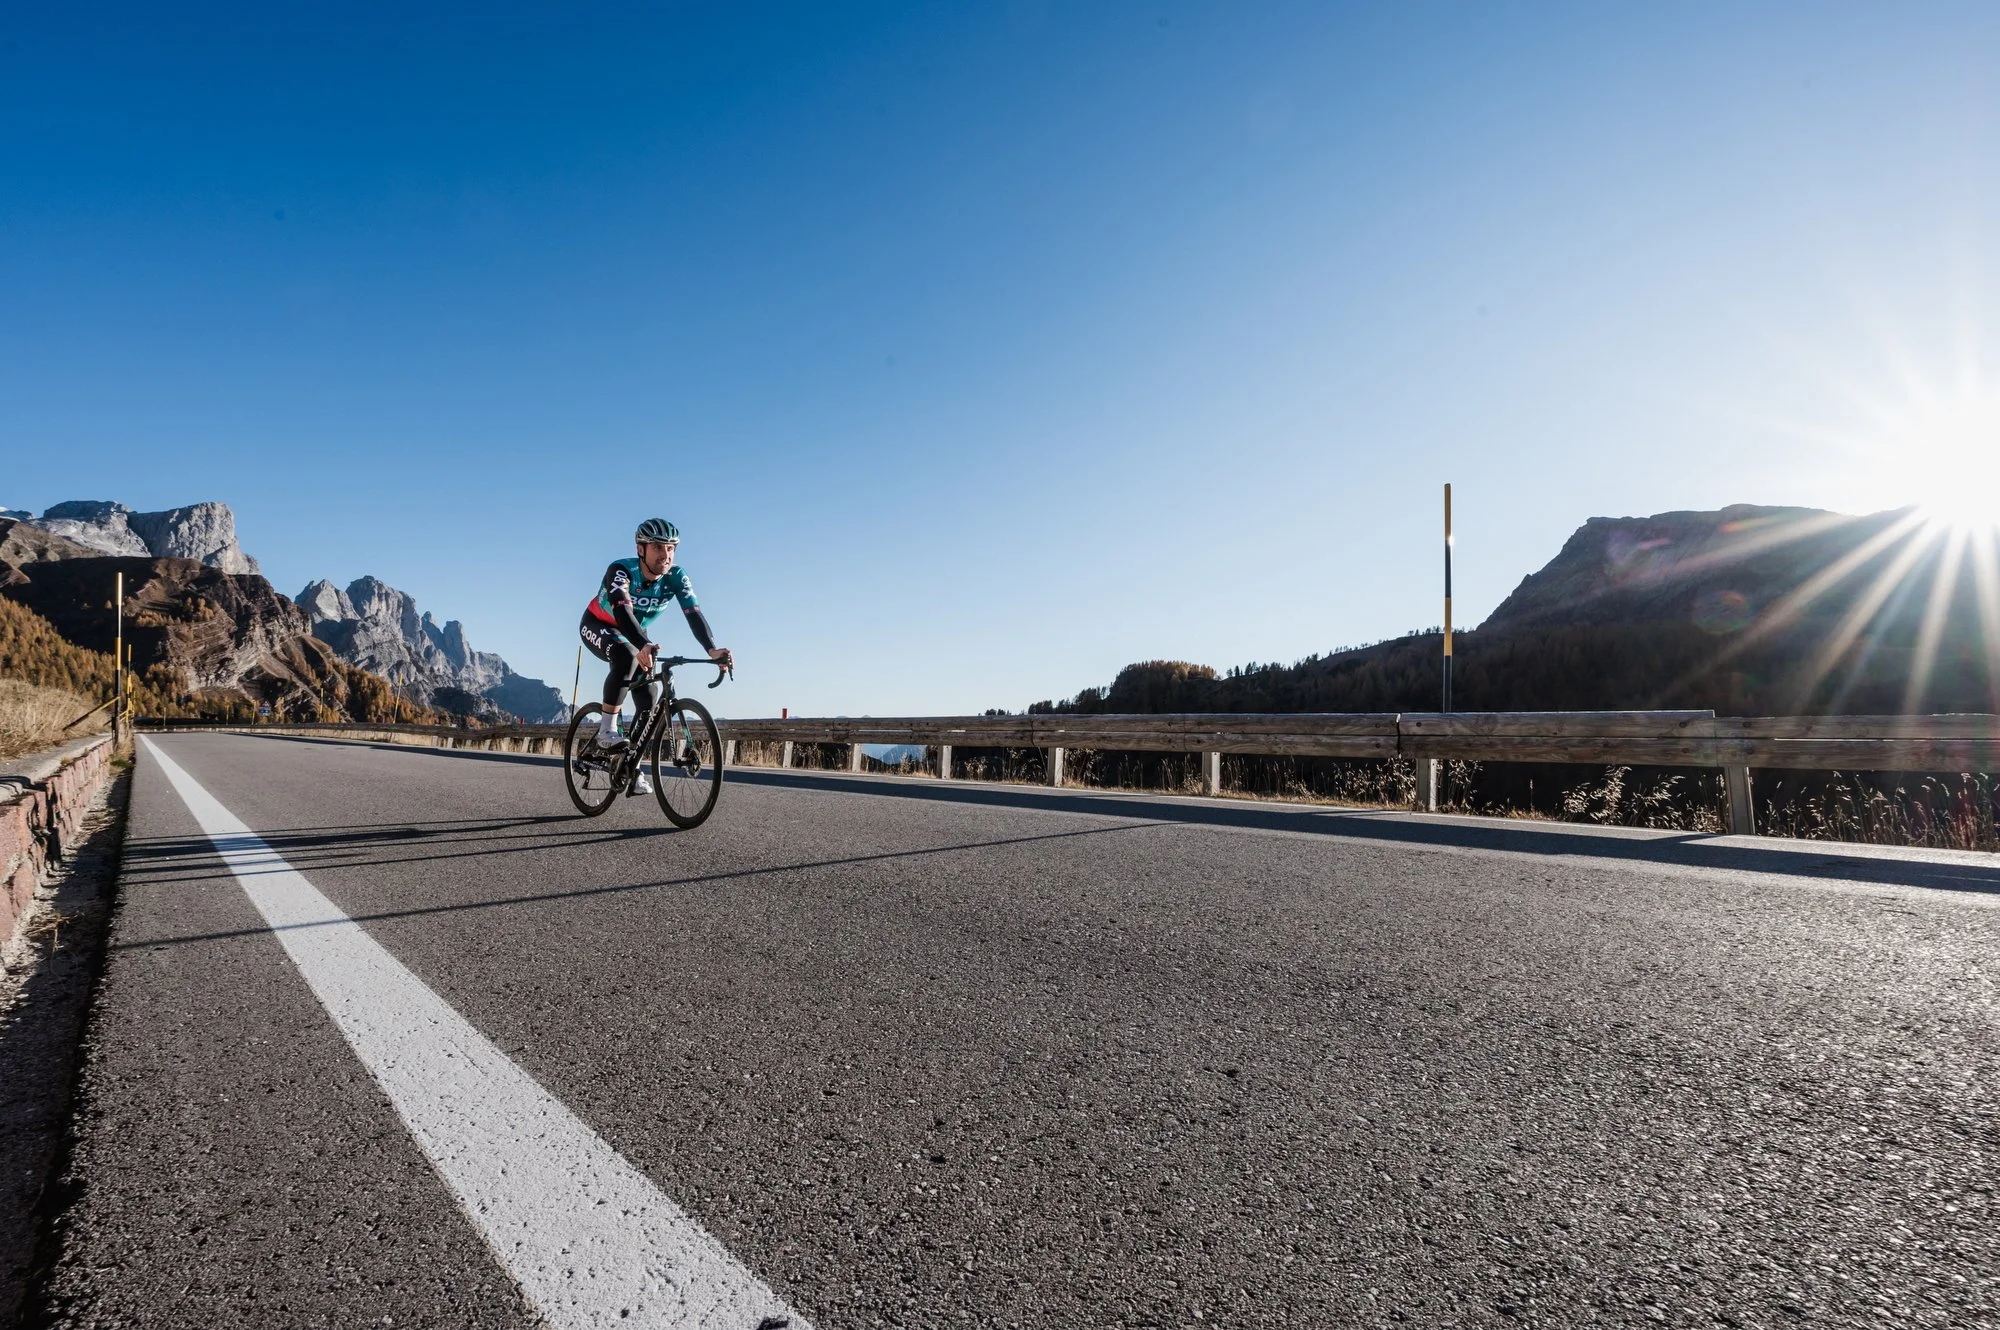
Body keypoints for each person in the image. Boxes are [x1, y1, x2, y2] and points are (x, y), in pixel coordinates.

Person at [579, 518, 733, 794]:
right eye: (658, 547)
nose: (666, 555)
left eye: (671, 548)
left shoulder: (676, 576)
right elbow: (622, 610)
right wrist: (642, 644)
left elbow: (694, 614)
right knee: (626, 655)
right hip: (600, 624)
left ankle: (631, 767)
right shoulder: (621, 570)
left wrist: (712, 649)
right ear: (641, 549)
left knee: (649, 698)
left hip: (636, 635)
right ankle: (606, 730)